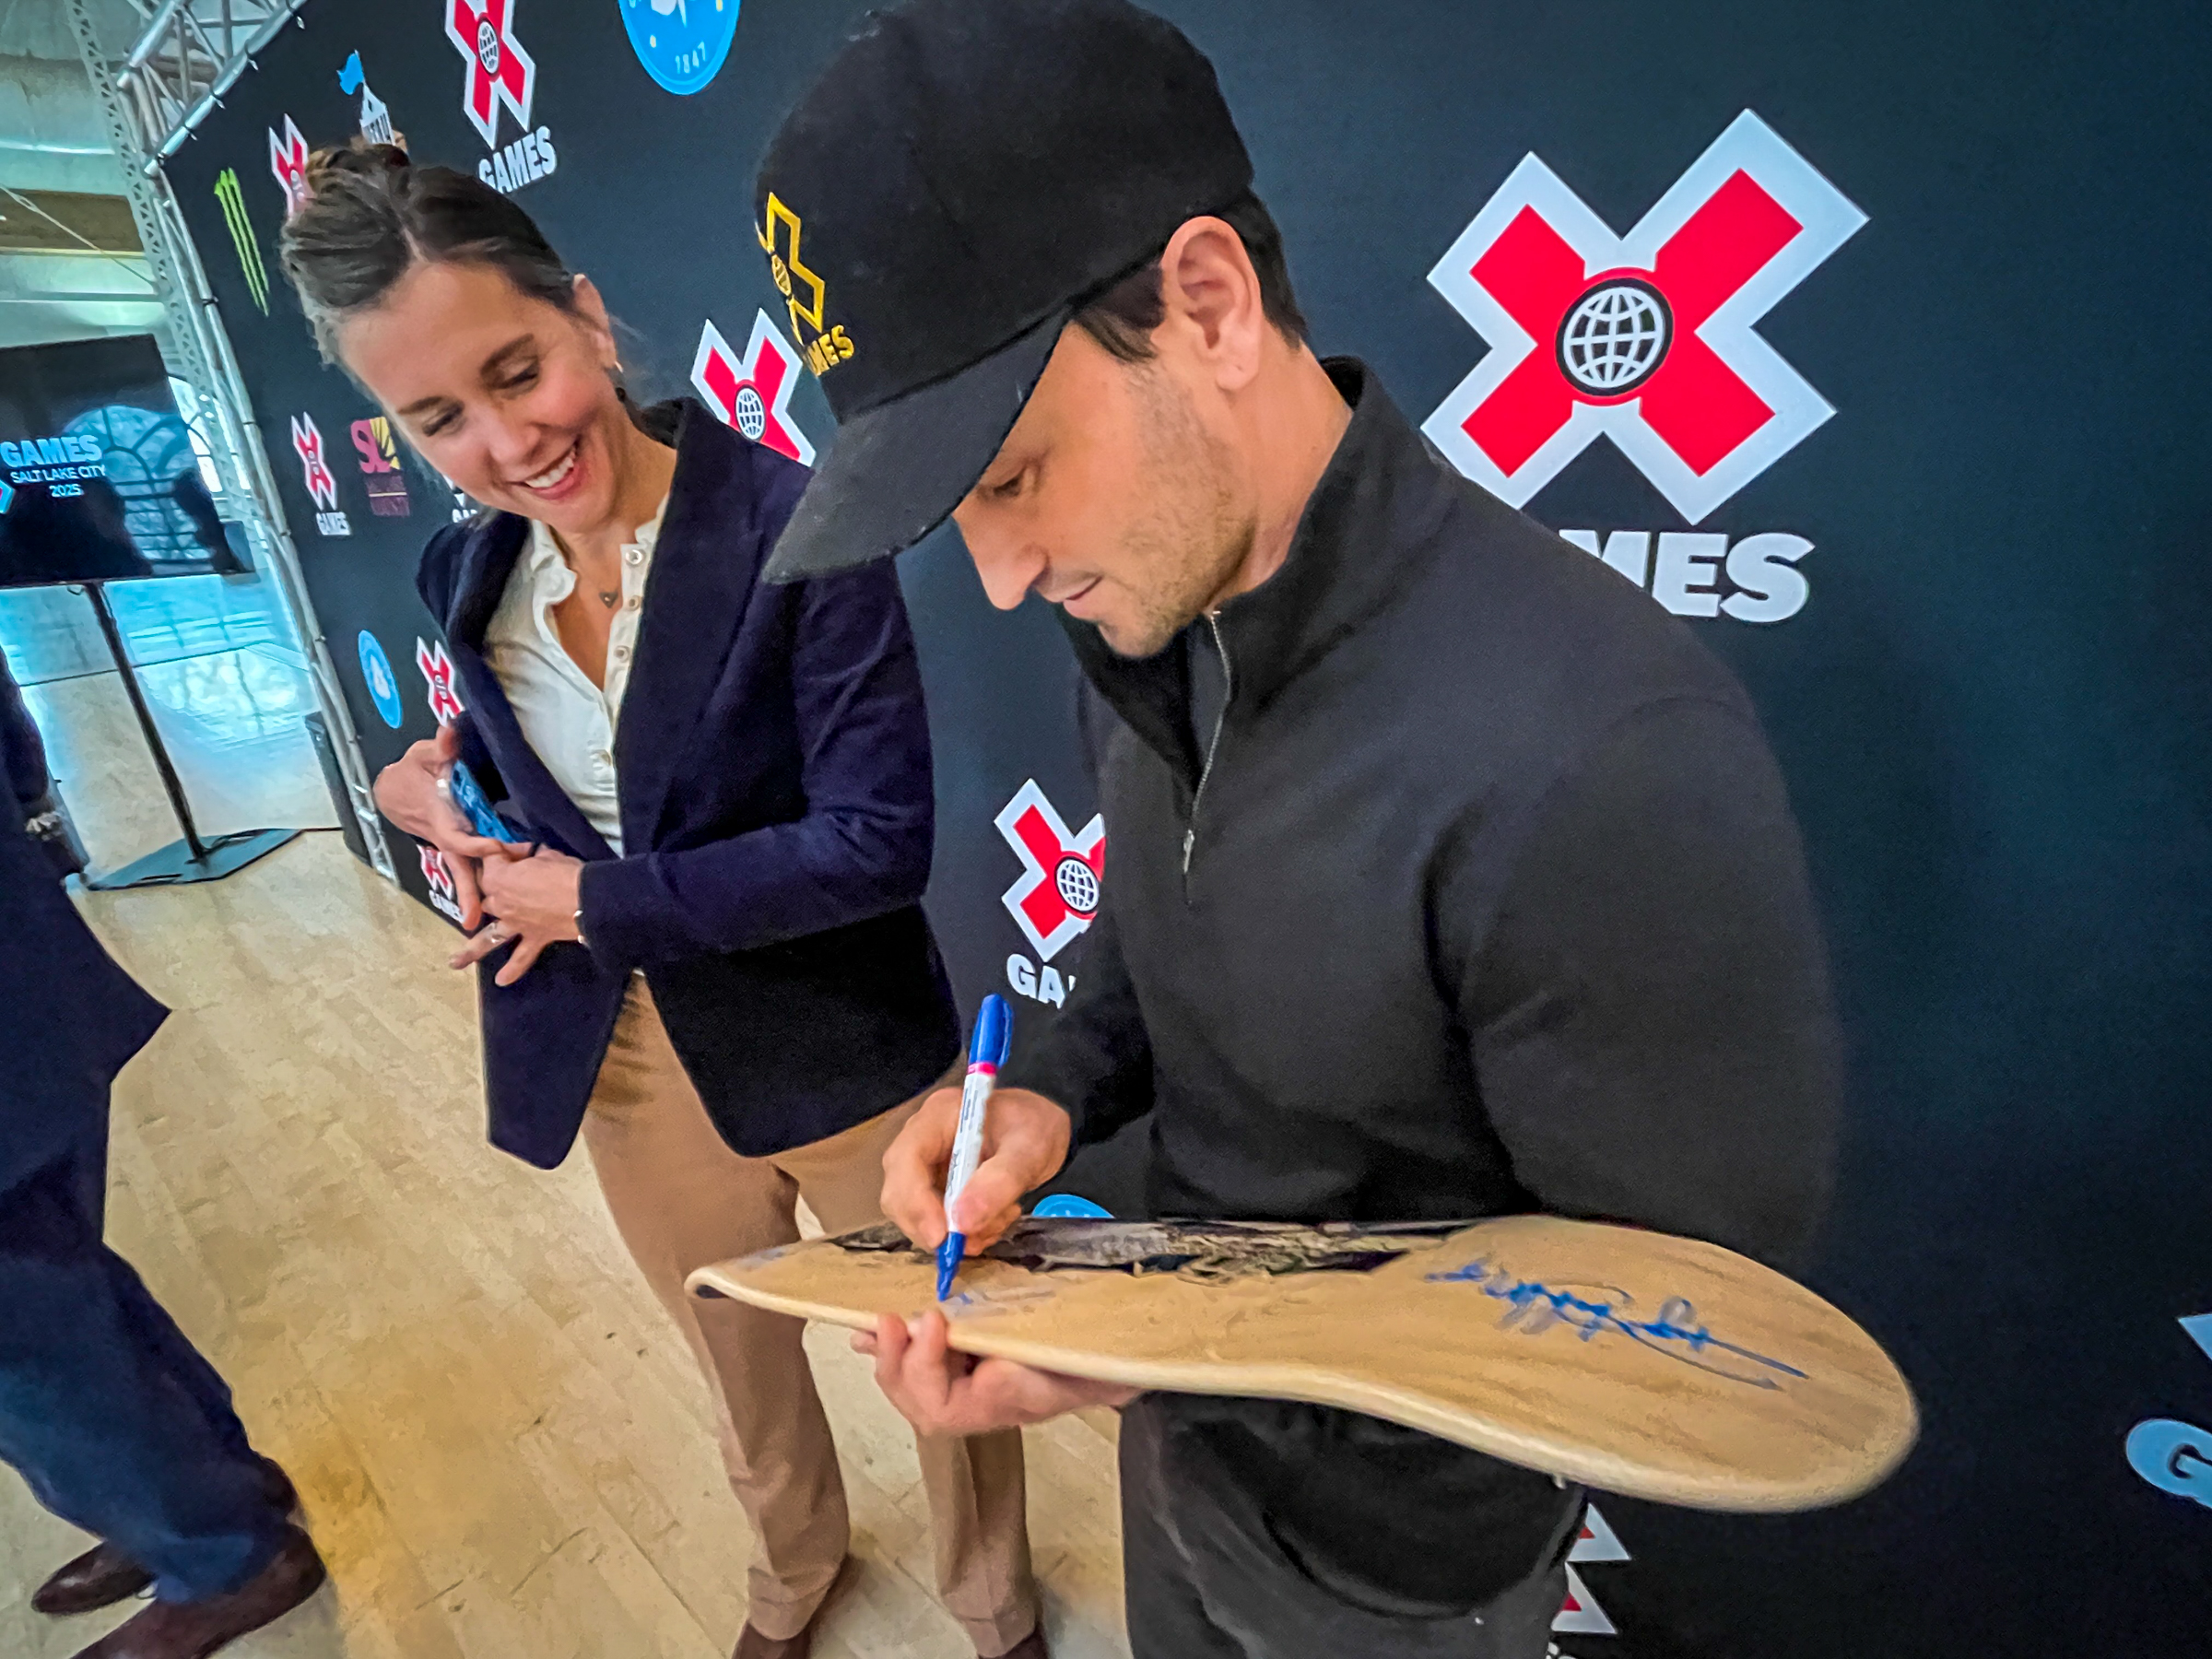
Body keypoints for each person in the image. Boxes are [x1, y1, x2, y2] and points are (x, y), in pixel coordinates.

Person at [750, 3, 1843, 1655]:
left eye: (1016, 474)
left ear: (1207, 304)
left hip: (1397, 1570)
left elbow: (1674, 1331)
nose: (997, 573)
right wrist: (1040, 1102)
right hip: (1179, 1456)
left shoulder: (1599, 749)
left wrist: (1165, 1340)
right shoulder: (1153, 604)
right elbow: (1158, 934)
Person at [277, 144, 1042, 1659]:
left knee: (935, 1347)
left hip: (844, 1052)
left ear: (591, 318)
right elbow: (506, 768)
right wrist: (420, 788)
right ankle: (792, 1574)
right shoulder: (461, 570)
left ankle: (993, 1600)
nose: (509, 440)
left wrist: (594, 899)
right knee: (735, 1363)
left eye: (519, 369)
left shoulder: (800, 524)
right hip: (629, 1064)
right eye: (442, 417)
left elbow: (875, 843)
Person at [0, 655, 324, 1657]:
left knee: (26, 1337)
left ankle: (221, 1550)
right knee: (58, 1284)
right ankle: (206, 1492)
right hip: (22, 977)